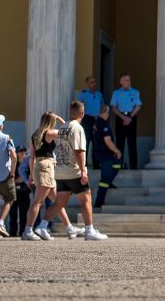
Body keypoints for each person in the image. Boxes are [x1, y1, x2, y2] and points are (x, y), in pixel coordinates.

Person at [40, 101, 107, 241]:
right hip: (73, 170)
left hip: (60, 170)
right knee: (86, 199)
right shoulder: (78, 128)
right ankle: (89, 230)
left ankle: (42, 226)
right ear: (82, 113)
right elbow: (79, 151)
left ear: (71, 112)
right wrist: (83, 171)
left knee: (59, 202)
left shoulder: (63, 127)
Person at [24, 111, 84, 241]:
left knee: (57, 201)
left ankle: (69, 228)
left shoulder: (35, 134)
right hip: (46, 166)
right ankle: (28, 230)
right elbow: (68, 133)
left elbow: (32, 156)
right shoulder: (50, 133)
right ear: (51, 122)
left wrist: (31, 174)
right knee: (38, 201)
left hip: (40, 165)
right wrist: (62, 120)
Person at [92, 104, 123, 212]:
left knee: (117, 164)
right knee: (104, 179)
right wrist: (117, 150)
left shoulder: (97, 123)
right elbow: (108, 141)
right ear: (106, 113)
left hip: (103, 154)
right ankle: (98, 202)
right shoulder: (103, 124)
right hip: (106, 155)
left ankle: (109, 181)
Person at [110, 74, 142, 169]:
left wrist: (130, 117)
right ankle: (118, 165)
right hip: (120, 117)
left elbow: (138, 106)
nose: (128, 82)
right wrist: (124, 118)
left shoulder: (135, 92)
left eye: (129, 80)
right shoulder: (116, 93)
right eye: (125, 80)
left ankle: (133, 167)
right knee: (120, 142)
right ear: (121, 82)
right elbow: (113, 108)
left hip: (131, 116)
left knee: (132, 142)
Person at [77, 76, 104, 168]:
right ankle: (83, 163)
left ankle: (96, 164)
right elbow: (79, 106)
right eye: (91, 82)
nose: (94, 83)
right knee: (86, 141)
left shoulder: (99, 94)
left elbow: (102, 107)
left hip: (97, 119)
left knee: (96, 141)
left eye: (95, 81)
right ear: (87, 83)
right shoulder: (83, 94)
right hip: (87, 119)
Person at [8, 147, 30, 237]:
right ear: (16, 153)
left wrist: (23, 179)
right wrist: (16, 180)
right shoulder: (13, 165)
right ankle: (13, 232)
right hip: (14, 192)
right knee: (13, 214)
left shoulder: (28, 164)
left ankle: (22, 232)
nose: (23, 153)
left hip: (24, 192)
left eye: (24, 150)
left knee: (23, 214)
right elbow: (10, 177)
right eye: (21, 151)